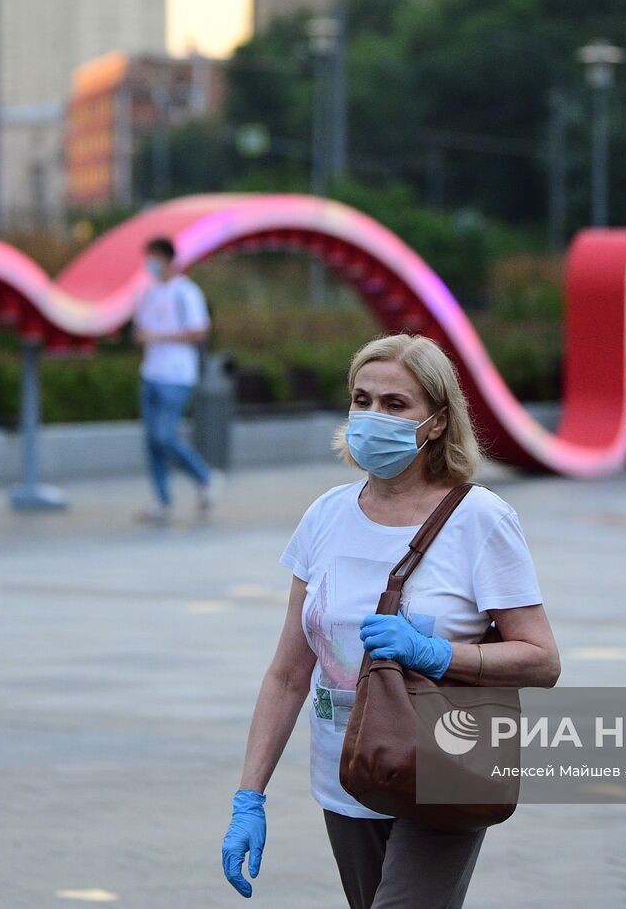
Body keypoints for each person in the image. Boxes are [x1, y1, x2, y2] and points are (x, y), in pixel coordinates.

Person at [221, 333, 561, 907]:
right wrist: (248, 797)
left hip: (446, 765)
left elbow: (542, 659)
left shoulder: (481, 520)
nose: (372, 415)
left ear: (436, 422)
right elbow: (286, 674)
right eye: (362, 399)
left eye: (395, 404)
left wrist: (438, 654)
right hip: (347, 771)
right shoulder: (325, 515)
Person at [132, 236, 218, 524]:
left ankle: (204, 477)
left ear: (168, 259)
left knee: (165, 435)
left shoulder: (186, 292)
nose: (150, 264)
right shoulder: (149, 292)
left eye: (154, 258)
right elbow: (141, 330)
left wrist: (159, 336)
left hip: (177, 375)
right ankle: (162, 499)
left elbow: (198, 332)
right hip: (151, 373)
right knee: (152, 441)